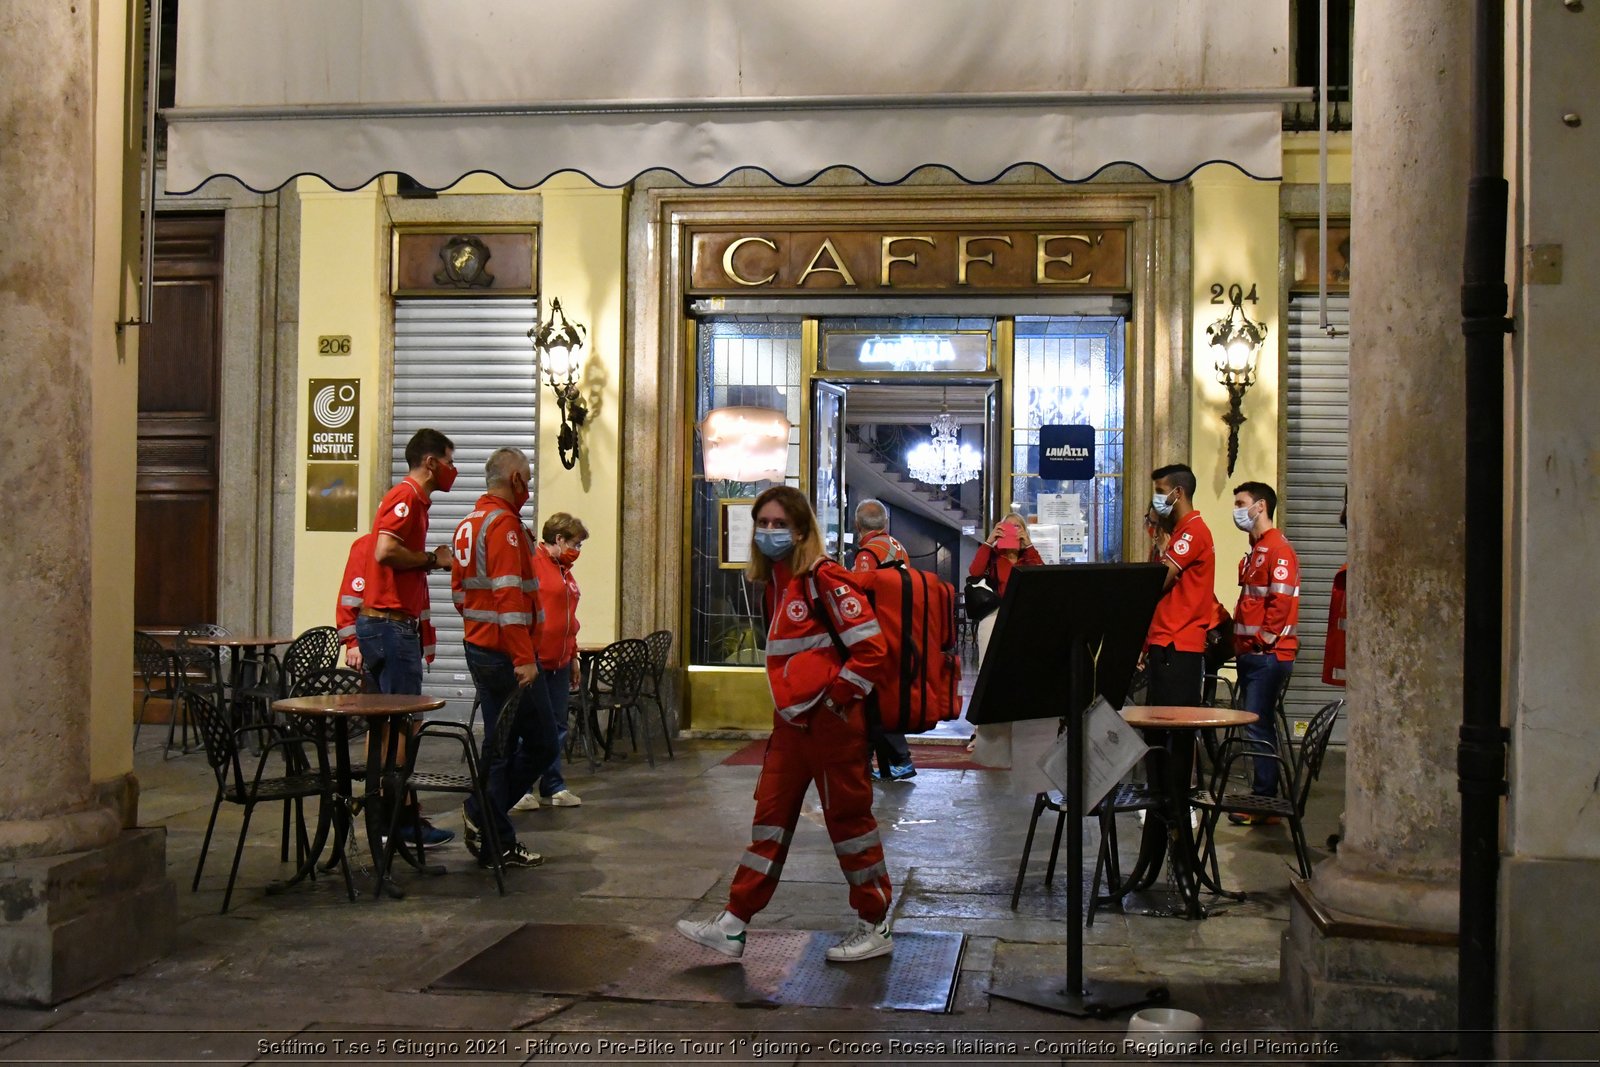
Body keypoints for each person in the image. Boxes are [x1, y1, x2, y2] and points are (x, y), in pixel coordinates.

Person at [677, 486, 894, 963]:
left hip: (831, 725)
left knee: (849, 824)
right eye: (763, 523)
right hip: (793, 724)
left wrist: (838, 699)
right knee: (769, 822)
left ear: (800, 531)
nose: (769, 532)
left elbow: (871, 648)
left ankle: (875, 923)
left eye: (779, 524)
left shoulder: (824, 576)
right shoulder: (776, 581)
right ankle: (733, 924)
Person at [451, 447, 554, 868]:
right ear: (514, 480)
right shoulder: (505, 526)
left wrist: (481, 630)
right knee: (542, 742)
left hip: (480, 648)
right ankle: (483, 814)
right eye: (527, 480)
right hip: (508, 657)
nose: (528, 489)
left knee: (500, 746)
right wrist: (524, 657)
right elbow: (510, 601)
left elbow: (460, 595)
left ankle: (494, 836)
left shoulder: (470, 523)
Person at [356, 427, 458, 846]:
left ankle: (387, 819)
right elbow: (383, 551)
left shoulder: (413, 501)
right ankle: (398, 821)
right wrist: (432, 559)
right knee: (403, 725)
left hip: (388, 626)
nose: (454, 470)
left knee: (388, 726)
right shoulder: (406, 497)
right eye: (450, 461)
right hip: (391, 627)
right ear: (431, 462)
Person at [1228, 480, 1301, 821]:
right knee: (1258, 725)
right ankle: (1263, 796)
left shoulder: (1277, 549)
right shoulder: (1258, 548)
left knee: (1258, 725)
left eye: (1241, 503)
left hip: (1266, 656)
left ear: (1260, 507)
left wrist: (1265, 640)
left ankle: (1264, 801)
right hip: (1252, 654)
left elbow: (1280, 600)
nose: (1237, 510)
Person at [510, 512, 589, 811]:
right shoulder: (534, 564)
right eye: (575, 543)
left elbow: (569, 619)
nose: (578, 550)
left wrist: (574, 656)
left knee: (557, 726)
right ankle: (519, 788)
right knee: (528, 727)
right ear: (558, 539)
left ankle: (553, 784)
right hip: (535, 660)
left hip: (560, 659)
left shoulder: (564, 570)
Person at [964, 513, 1043, 763]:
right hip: (994, 615)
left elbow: (1041, 575)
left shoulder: (1027, 557)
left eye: (1017, 527)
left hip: (1023, 618)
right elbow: (974, 571)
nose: (1013, 532)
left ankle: (1018, 731)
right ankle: (983, 732)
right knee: (989, 672)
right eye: (1008, 528)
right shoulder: (994, 558)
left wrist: (1027, 544)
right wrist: (989, 542)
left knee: (1020, 673)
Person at [850, 498, 915, 782]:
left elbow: (859, 593)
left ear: (857, 525)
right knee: (879, 698)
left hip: (878, 633)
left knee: (875, 699)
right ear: (885, 524)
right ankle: (877, 760)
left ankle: (898, 758)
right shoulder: (897, 546)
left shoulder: (867, 553)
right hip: (899, 628)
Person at [1143, 463, 1216, 707]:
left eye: (1161, 491)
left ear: (1178, 493)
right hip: (1166, 639)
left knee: (1173, 724)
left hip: (1178, 642)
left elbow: (1161, 579)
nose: (1157, 499)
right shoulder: (1180, 531)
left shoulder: (1192, 531)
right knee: (1158, 725)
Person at [336, 532, 437, 677]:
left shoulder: (409, 548)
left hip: (408, 637)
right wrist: (352, 644)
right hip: (388, 639)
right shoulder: (369, 545)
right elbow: (350, 597)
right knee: (393, 697)